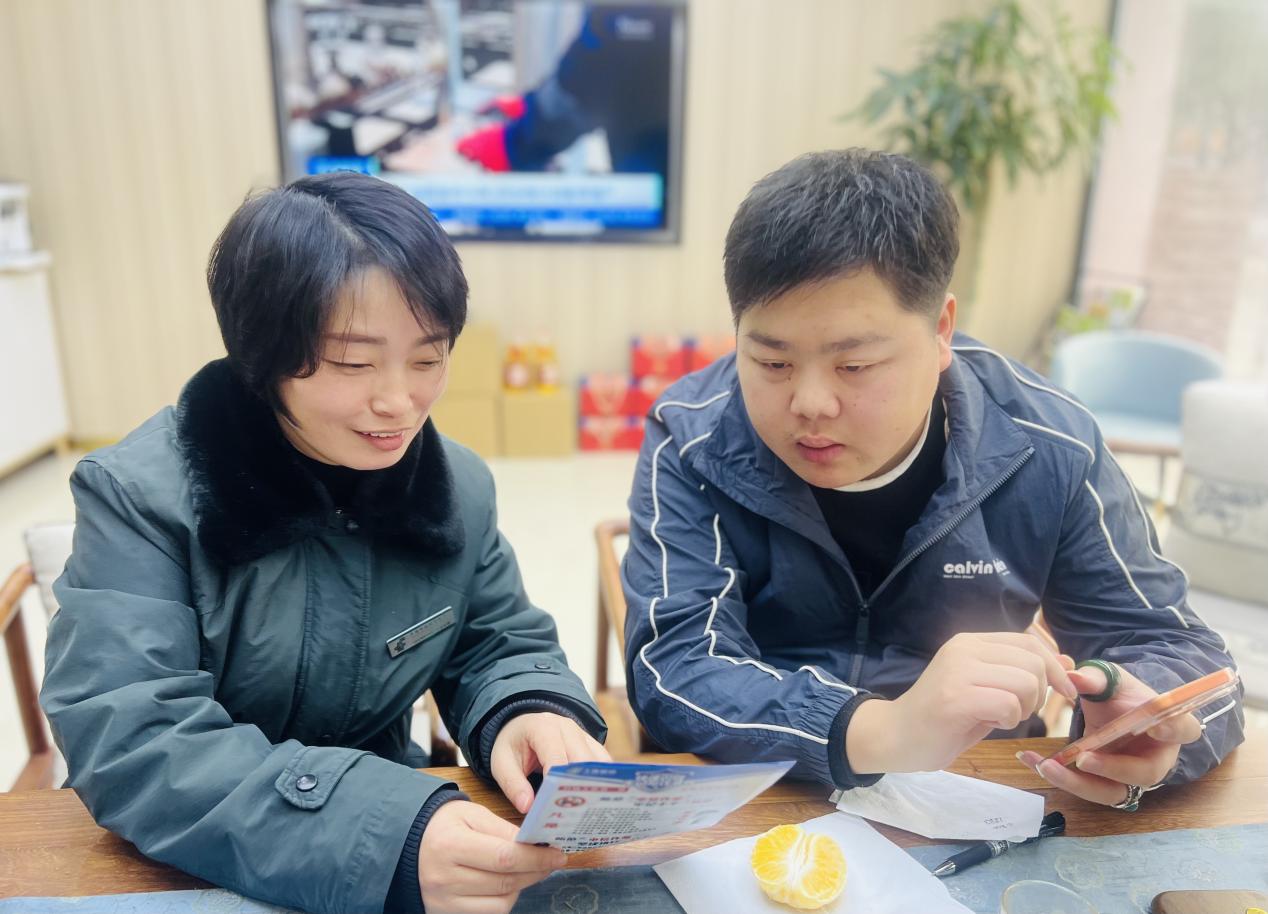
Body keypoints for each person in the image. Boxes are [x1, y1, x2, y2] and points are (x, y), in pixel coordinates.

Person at [41, 171, 609, 914]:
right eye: (352, 362)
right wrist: (383, 833)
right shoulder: (143, 496)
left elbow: (496, 642)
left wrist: (530, 709)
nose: (399, 401)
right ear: (262, 353)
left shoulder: (456, 487)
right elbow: (132, 738)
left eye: (428, 358)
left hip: (400, 835)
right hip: (181, 863)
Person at [621, 148, 1244, 812]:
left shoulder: (1047, 443)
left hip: (978, 792)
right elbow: (676, 666)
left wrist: (1145, 719)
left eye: (854, 366)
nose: (810, 404)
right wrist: (879, 731)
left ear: (941, 329)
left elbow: (1182, 654)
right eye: (772, 363)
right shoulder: (695, 435)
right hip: (761, 794)